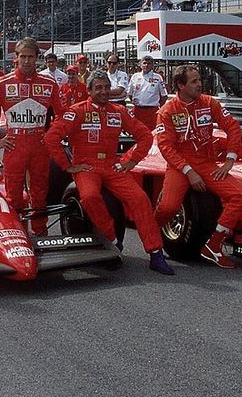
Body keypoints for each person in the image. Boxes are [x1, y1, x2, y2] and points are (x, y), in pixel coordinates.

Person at [44, 71, 174, 275]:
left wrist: (130, 161)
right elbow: (51, 137)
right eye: (99, 88)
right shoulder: (77, 111)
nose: (104, 92)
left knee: (140, 199)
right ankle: (113, 239)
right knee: (89, 197)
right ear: (89, 90)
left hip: (113, 166)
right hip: (86, 167)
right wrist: (67, 166)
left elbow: (145, 136)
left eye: (106, 87)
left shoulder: (119, 111)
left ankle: (155, 253)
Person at [154, 66, 242, 267]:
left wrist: (230, 158)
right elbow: (166, 147)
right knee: (169, 206)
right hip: (179, 166)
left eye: (199, 80)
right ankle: (152, 236)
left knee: (241, 194)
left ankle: (213, 245)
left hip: (207, 163)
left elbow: (232, 127)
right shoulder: (166, 111)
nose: (200, 84)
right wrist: (189, 172)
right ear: (180, 85)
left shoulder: (209, 102)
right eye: (194, 81)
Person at [0, 37, 63, 236]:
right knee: (13, 194)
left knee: (40, 192)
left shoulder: (49, 83)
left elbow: (63, 114)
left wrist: (51, 135)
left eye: (30, 57)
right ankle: (17, 232)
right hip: (14, 145)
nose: (26, 61)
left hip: (40, 144)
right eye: (22, 57)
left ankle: (40, 231)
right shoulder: (2, 83)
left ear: (37, 58)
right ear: (15, 58)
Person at [127, 55, 168, 129]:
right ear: (140, 64)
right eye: (144, 63)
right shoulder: (135, 76)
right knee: (138, 132)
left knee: (152, 134)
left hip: (152, 111)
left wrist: (159, 108)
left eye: (149, 63)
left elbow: (164, 96)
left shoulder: (157, 77)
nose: (146, 65)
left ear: (152, 65)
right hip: (138, 110)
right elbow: (130, 94)